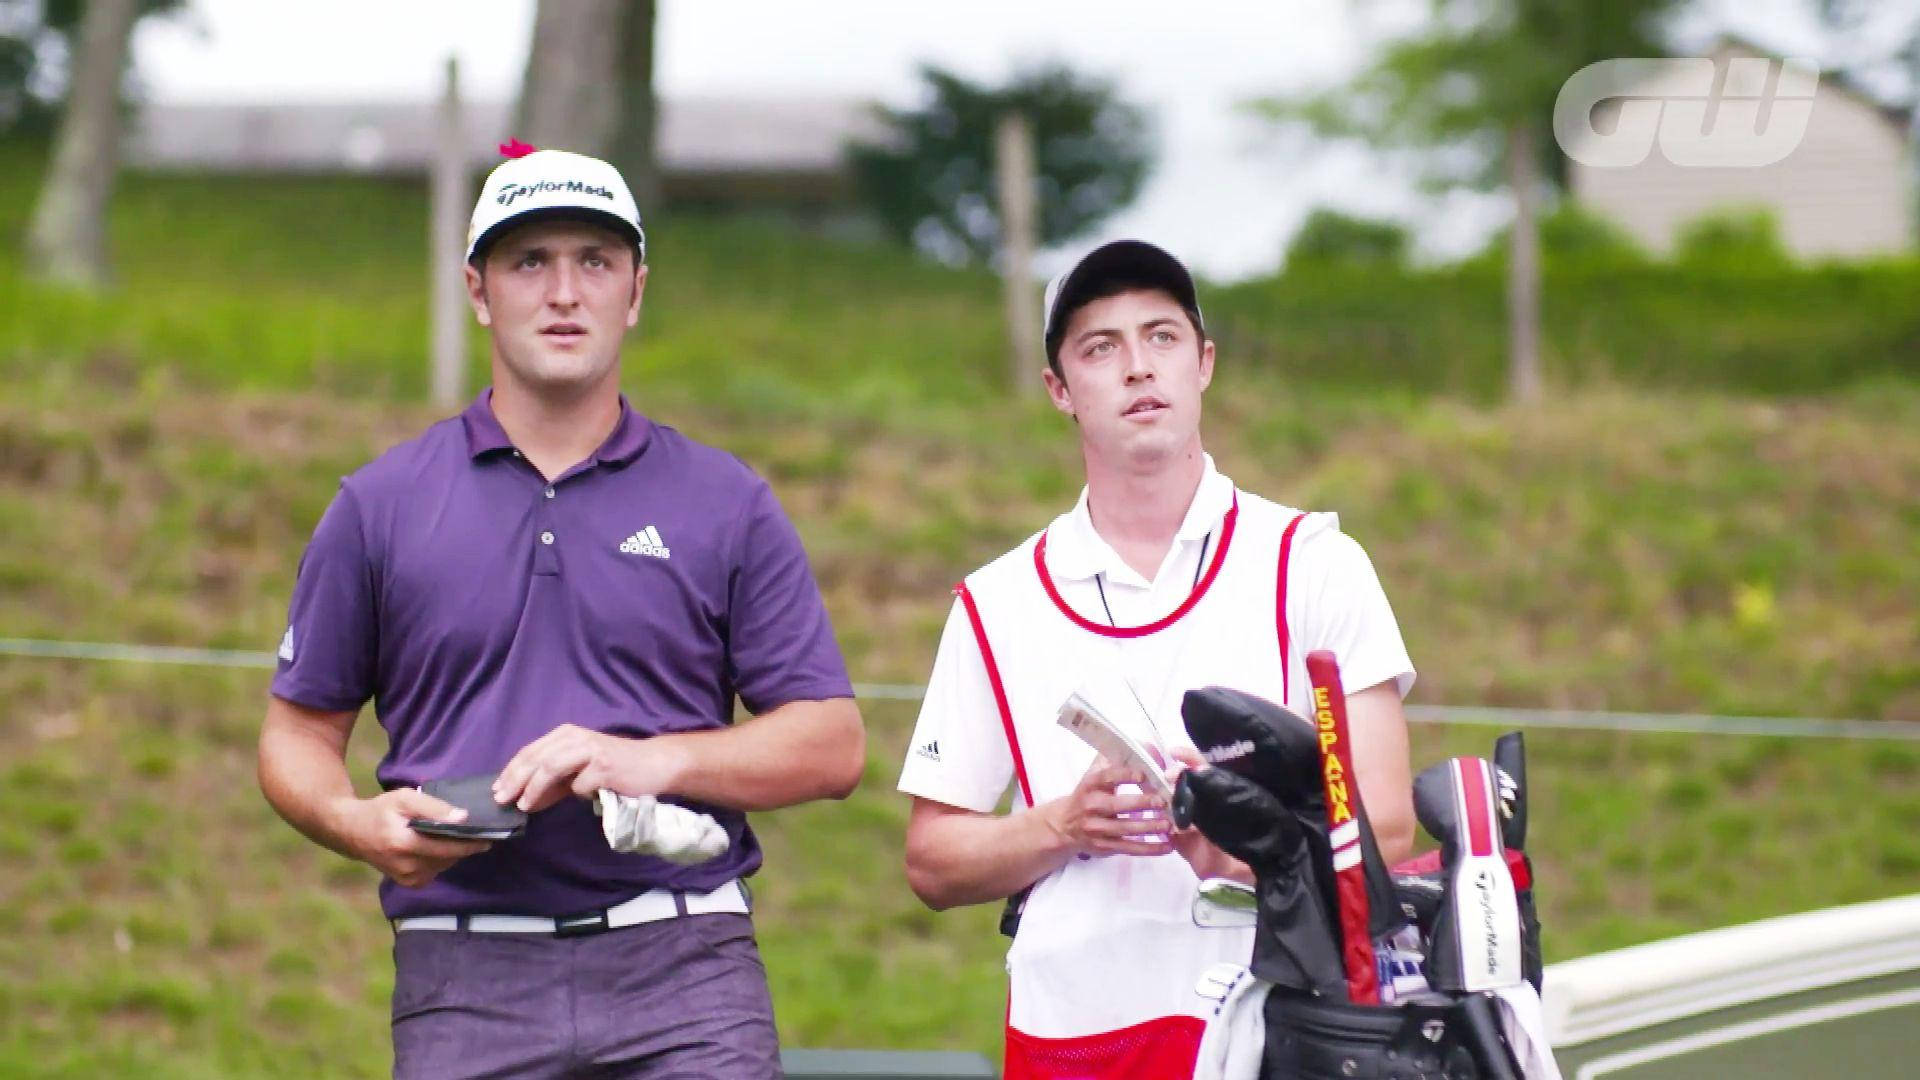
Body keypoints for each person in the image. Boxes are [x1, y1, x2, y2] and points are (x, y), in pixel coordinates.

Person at [258, 144, 864, 1079]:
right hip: (463, 971)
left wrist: (653, 759)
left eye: (595, 261)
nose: (564, 291)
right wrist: (352, 823)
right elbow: (297, 733)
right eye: (529, 261)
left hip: (687, 965)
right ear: (477, 289)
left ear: (636, 290)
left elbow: (832, 744)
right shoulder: (379, 504)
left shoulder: (725, 499)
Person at [897, 240, 1418, 1079]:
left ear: (1204, 362)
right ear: (1059, 391)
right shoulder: (995, 601)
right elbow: (932, 861)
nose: (1139, 367)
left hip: (1290, 1021)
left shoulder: (1312, 561)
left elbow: (1389, 824)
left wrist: (1240, 845)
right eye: (1101, 347)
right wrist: (1064, 825)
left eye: (1162, 337)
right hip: (1078, 1029)